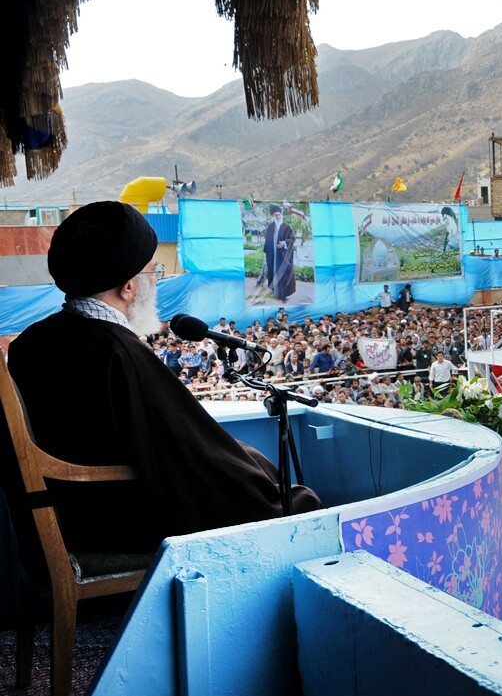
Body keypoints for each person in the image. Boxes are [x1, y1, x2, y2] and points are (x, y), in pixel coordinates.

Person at [8, 201, 319, 553]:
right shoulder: (117, 351)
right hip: (114, 524)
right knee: (288, 499)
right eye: (154, 271)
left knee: (247, 458)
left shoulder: (30, 342)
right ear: (129, 288)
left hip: (67, 513)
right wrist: (283, 501)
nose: (157, 278)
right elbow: (191, 455)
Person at [260, 205, 297, 301]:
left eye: (279, 214)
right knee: (273, 271)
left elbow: (292, 239)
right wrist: (268, 252)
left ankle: (285, 294)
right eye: (276, 215)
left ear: (281, 215)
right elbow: (267, 241)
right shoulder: (270, 227)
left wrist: (284, 243)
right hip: (273, 255)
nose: (278, 216)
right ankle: (274, 290)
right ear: (273, 216)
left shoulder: (286, 227)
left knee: (284, 273)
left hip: (283, 255)